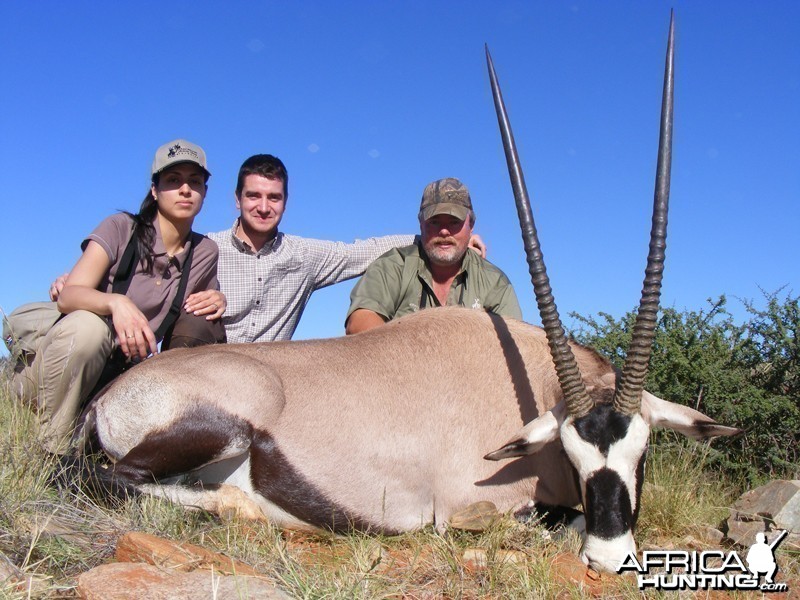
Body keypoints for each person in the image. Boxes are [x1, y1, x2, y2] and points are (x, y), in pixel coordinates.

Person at [15, 139, 224, 453]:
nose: (185, 190)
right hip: (59, 371)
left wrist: (219, 299)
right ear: (154, 190)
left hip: (119, 377)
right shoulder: (120, 227)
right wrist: (116, 302)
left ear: (205, 192)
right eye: (173, 180)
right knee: (88, 329)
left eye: (195, 182)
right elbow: (68, 295)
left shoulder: (205, 252)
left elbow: (202, 305)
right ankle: (50, 452)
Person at [205, 155, 486, 342]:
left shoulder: (304, 256)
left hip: (267, 383)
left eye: (274, 197)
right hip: (204, 374)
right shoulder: (205, 248)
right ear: (237, 199)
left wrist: (443, 239)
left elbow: (364, 251)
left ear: (285, 201)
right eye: (253, 195)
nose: (264, 207)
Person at [345, 177, 522, 334]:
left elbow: (515, 340)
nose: (444, 231)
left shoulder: (494, 282)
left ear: (471, 225)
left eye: (454, 222)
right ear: (421, 224)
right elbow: (359, 322)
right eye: (434, 222)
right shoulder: (392, 266)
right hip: (402, 369)